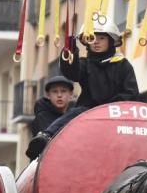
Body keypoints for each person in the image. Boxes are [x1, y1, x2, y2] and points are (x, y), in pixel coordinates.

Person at [25, 21, 139, 160]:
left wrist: (111, 107)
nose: (96, 42)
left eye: (101, 38)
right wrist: (70, 51)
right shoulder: (85, 63)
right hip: (88, 111)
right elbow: (72, 73)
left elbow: (131, 93)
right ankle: (46, 136)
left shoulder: (123, 65)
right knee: (74, 112)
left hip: (117, 112)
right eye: (92, 38)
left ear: (111, 41)